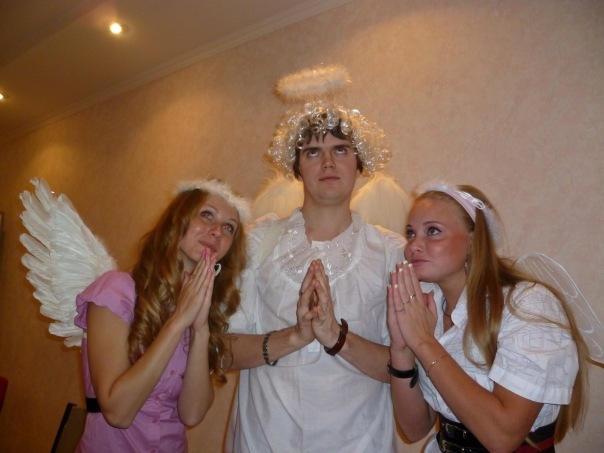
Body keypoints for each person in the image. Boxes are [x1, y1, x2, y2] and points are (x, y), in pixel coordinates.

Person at [224, 97, 405, 452]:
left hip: (361, 444)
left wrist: (336, 337)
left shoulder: (389, 253)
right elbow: (223, 350)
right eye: (312, 152)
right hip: (263, 442)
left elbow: (403, 368)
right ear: (296, 168)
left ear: (359, 163)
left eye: (341, 149)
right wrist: (294, 337)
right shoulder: (258, 242)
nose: (327, 162)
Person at [387, 181, 588, 453]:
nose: (413, 246)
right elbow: (414, 429)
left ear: (473, 241)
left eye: (432, 231)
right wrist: (400, 349)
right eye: (410, 233)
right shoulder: (428, 304)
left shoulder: (527, 305)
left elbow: (502, 438)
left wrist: (423, 342)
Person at [73, 179, 250, 452]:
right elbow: (118, 413)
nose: (217, 231)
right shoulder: (116, 291)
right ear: (177, 220)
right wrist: (178, 321)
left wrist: (200, 329)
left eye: (229, 227)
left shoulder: (203, 309)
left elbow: (192, 414)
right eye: (206, 215)